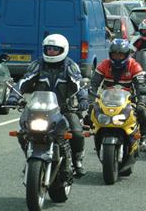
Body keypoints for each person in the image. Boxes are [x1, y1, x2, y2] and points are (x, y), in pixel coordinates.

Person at [6, 34, 89, 178]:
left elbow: (79, 84)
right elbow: (24, 80)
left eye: (54, 49)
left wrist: (83, 99)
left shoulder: (70, 66)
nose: (50, 52)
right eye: (48, 48)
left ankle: (77, 160)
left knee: (76, 133)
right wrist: (13, 96)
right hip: (39, 109)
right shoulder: (38, 64)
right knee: (22, 131)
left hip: (64, 109)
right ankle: (30, 157)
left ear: (63, 50)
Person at [90, 39, 146, 152]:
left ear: (127, 55)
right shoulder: (104, 64)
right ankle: (97, 135)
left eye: (121, 54)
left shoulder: (134, 66)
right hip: (106, 100)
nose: (117, 57)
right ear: (110, 55)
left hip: (128, 100)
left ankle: (142, 138)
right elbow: (93, 84)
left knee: (144, 113)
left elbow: (141, 86)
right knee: (90, 112)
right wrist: (90, 100)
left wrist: (141, 103)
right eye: (115, 54)